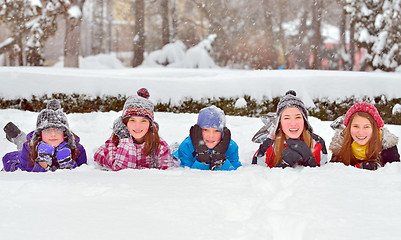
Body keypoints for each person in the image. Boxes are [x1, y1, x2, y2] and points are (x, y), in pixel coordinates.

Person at [94, 88, 175, 171]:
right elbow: (123, 171)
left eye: (143, 121)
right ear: (124, 123)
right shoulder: (114, 143)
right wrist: (125, 138)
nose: (137, 127)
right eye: (132, 120)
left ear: (150, 125)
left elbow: (167, 173)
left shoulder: (159, 145)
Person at [2, 100, 87, 172]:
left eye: (58, 130)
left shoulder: (77, 149)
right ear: (40, 134)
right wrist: (41, 164)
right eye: (47, 130)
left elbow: (82, 174)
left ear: (65, 133)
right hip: (33, 146)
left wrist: (68, 163)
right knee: (23, 145)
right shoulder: (28, 149)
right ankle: (19, 138)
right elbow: (25, 174)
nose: (53, 134)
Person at [252, 90, 327, 168]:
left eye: (298, 117)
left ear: (304, 121)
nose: (293, 123)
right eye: (287, 118)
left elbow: (325, 175)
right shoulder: (268, 146)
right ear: (279, 122)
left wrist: (310, 161)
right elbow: (257, 174)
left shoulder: (318, 143)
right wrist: (282, 165)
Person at [329, 102, 400, 170]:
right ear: (349, 128)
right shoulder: (340, 146)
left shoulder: (387, 148)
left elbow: (393, 177)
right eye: (356, 126)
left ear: (374, 128)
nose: (360, 132)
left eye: (366, 127)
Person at [172, 105, 242, 171]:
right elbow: (187, 174)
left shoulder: (231, 146)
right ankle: (174, 148)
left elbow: (235, 172)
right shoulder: (186, 146)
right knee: (174, 159)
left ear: (222, 132)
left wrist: (220, 161)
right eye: (206, 130)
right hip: (179, 155)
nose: (211, 136)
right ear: (199, 131)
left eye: (216, 131)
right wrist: (202, 161)